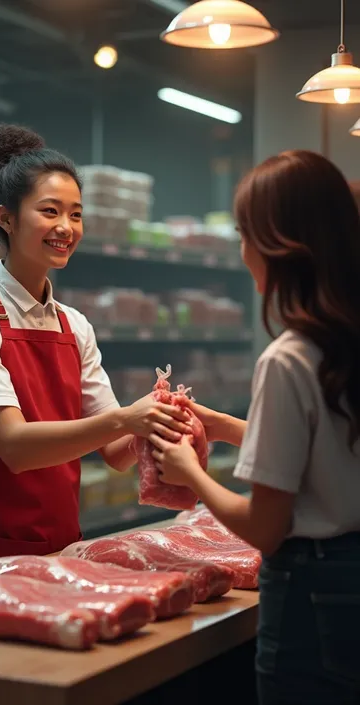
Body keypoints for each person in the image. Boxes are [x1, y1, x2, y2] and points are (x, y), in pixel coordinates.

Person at [0, 124, 191, 574]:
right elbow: (15, 446)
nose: (66, 228)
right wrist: (127, 417)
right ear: (6, 218)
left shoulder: (75, 326)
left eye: (76, 214)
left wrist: (161, 417)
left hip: (61, 542)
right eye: (50, 211)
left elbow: (115, 453)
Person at [150, 150, 360, 705]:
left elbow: (266, 528)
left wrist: (190, 473)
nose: (242, 252)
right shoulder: (343, 340)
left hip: (311, 595)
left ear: (278, 245)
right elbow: (328, 452)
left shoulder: (287, 358)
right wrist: (220, 426)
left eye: (246, 234)